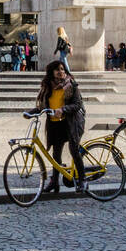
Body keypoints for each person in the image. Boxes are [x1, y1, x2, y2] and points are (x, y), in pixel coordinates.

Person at [36, 61, 85, 193]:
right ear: (51, 72)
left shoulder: (71, 85)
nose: (61, 72)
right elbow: (41, 106)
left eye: (62, 69)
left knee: (74, 150)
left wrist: (63, 109)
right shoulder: (47, 87)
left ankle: (82, 179)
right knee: (56, 154)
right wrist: (29, 113)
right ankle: (54, 182)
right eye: (57, 70)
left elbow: (77, 105)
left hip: (72, 122)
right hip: (55, 123)